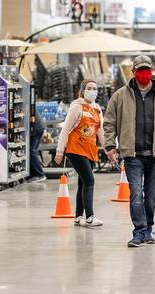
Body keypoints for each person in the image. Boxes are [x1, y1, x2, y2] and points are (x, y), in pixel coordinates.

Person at [104, 55, 155, 248]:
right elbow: (109, 122)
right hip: (133, 155)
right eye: (140, 70)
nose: (144, 73)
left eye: (147, 69)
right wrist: (110, 146)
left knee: (151, 197)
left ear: (152, 71)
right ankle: (138, 232)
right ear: (133, 72)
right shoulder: (121, 95)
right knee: (136, 195)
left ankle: (148, 228)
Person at [55, 79, 105, 228]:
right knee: (89, 180)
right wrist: (59, 151)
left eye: (95, 88)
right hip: (75, 150)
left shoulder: (97, 109)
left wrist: (108, 149)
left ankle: (78, 216)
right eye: (89, 88)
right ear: (82, 91)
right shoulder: (76, 107)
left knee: (82, 182)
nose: (92, 91)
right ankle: (89, 217)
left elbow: (100, 131)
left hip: (90, 149)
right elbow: (66, 129)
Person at [28, 110, 47, 182]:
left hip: (36, 129)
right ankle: (33, 174)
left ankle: (40, 174)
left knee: (31, 151)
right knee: (31, 151)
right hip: (37, 128)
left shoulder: (28, 104)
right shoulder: (28, 103)